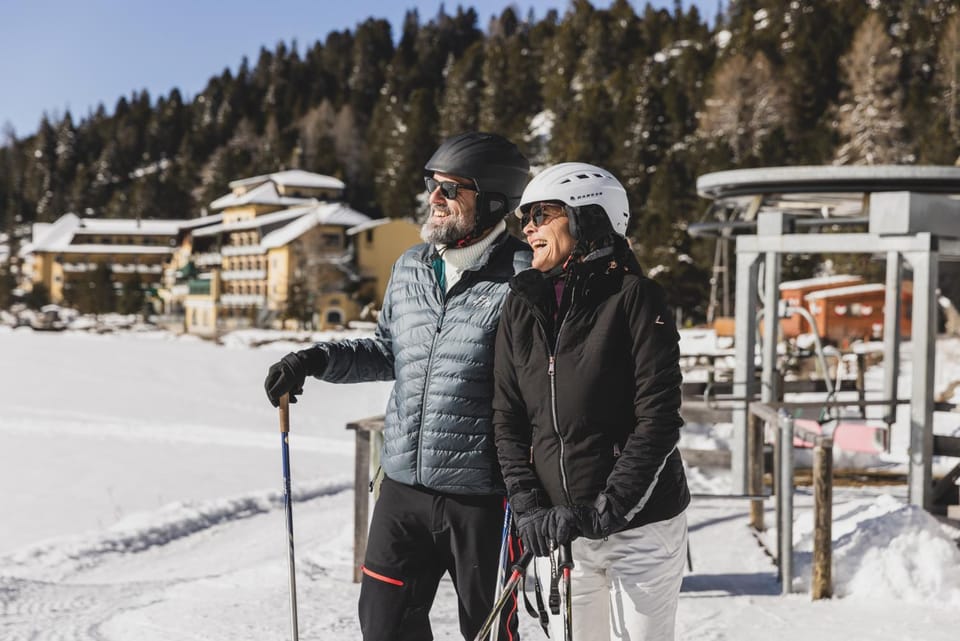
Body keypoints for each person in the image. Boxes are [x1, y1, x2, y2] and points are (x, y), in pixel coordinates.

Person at [263, 131, 531, 641]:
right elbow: (388, 350)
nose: (435, 198)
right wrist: (315, 359)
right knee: (383, 626)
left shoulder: (524, 277)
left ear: (494, 200)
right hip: (403, 487)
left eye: (451, 189)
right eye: (432, 185)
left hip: (484, 499)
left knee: (490, 632)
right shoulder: (411, 267)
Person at [492, 162, 690, 641]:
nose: (528, 228)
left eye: (541, 214)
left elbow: (658, 418)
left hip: (639, 528)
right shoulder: (521, 306)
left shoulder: (635, 299)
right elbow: (508, 418)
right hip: (563, 533)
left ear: (588, 217)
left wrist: (607, 510)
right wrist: (529, 508)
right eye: (525, 218)